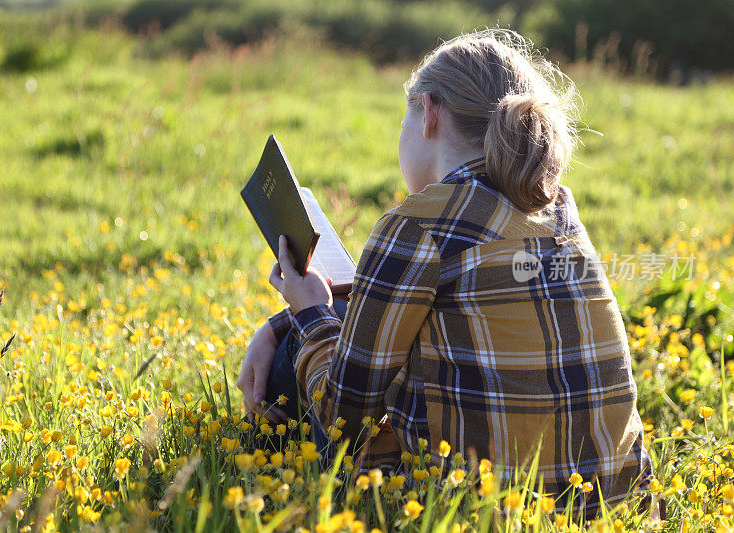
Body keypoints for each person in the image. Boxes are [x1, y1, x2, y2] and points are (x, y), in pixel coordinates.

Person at [237, 28, 654, 516]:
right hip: (613, 506)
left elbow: (345, 416)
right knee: (308, 333)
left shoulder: (418, 223)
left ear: (430, 112)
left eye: (403, 118)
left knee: (298, 357)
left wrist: (305, 316)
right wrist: (283, 321)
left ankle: (257, 470)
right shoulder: (558, 208)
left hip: (472, 509)